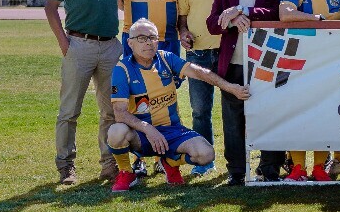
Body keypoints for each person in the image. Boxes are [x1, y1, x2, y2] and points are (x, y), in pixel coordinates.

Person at [105, 19, 250, 193]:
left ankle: (170, 162)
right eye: (142, 38)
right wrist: (148, 129)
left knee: (206, 154)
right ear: (130, 42)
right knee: (116, 131)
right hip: (142, 134)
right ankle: (126, 172)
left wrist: (230, 87)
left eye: (152, 37)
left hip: (171, 131)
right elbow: (120, 113)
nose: (148, 43)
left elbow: (198, 72)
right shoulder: (122, 69)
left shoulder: (165, 58)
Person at [45, 0, 124, 186]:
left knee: (110, 111)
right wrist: (64, 43)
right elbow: (51, 6)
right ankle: (66, 166)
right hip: (78, 46)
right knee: (69, 111)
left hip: (111, 48)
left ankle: (109, 164)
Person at [207, 0, 288, 185]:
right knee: (233, 120)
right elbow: (212, 24)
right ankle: (236, 171)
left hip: (267, 61)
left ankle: (270, 168)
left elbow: (276, 14)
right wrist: (231, 20)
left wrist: (243, 10)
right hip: (234, 62)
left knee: (270, 115)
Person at [278, 0, 340, 182]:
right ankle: (298, 167)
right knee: (299, 112)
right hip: (300, 61)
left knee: (326, 112)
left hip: (333, 62)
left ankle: (320, 167)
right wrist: (316, 19)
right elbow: (285, 14)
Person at [176, 0, 227, 176]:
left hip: (229, 52)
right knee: (199, 110)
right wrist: (183, 32)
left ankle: (236, 161)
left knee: (234, 108)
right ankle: (206, 160)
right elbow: (182, 16)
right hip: (197, 53)